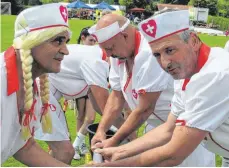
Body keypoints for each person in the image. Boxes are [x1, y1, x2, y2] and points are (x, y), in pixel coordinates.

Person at [91, 9, 229, 167]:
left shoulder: (214, 74)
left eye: (170, 50)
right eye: (157, 55)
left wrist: (111, 165)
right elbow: (168, 129)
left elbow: (174, 154)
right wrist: (118, 151)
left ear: (194, 41)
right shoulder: (184, 73)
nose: (165, 63)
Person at [1, 3, 70, 166]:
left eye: (66, 41)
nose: (66, 50)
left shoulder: (33, 86)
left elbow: (24, 146)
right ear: (31, 42)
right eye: (58, 41)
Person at [34, 44, 125, 162]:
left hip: (42, 92)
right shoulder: (96, 64)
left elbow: (98, 107)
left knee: (58, 150)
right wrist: (132, 138)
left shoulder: (96, 55)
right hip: (39, 93)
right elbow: (107, 110)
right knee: (66, 152)